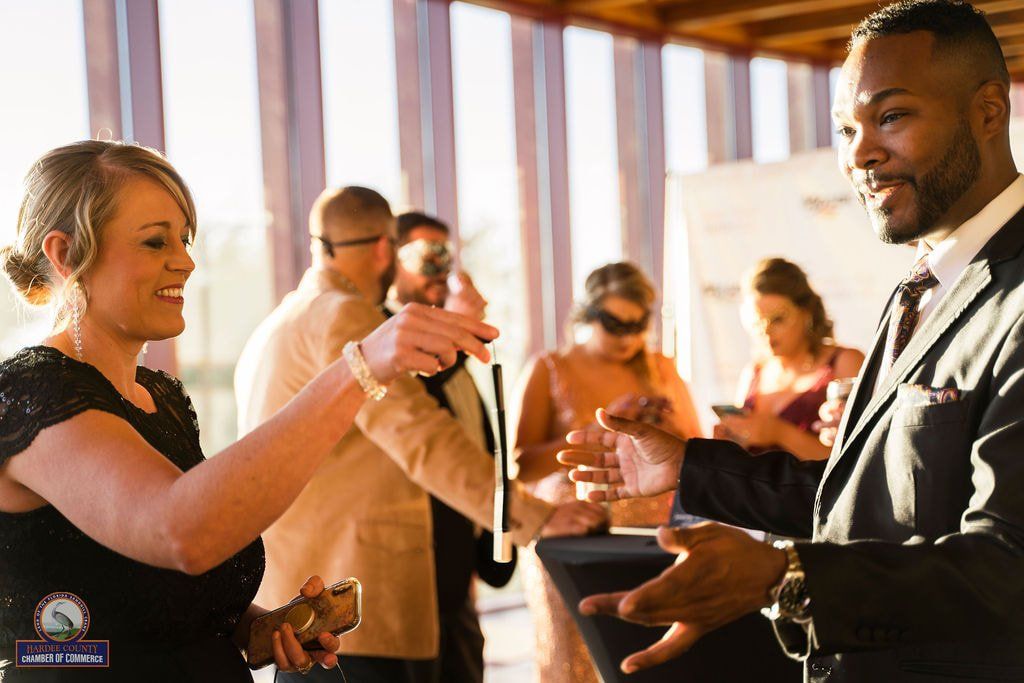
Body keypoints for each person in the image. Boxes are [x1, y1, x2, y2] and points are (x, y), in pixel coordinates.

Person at [560, 2, 1024, 680]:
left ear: (988, 111)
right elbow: (856, 500)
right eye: (846, 129)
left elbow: (1007, 568)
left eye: (892, 116)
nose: (858, 154)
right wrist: (691, 468)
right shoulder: (924, 285)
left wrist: (786, 576)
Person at [0, 141, 500, 682]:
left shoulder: (162, 398)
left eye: (185, 240)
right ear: (66, 254)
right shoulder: (30, 392)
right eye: (155, 241)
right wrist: (360, 367)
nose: (185, 261)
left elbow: (153, 589)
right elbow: (179, 531)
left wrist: (260, 626)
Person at [234, 187, 605, 683]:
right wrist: (536, 517)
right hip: (354, 614)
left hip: (305, 608)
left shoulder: (277, 324)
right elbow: (421, 436)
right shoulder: (344, 314)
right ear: (384, 248)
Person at [513, 261, 702, 683]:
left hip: (653, 536)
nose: (627, 338)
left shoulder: (661, 368)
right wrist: (597, 429)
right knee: (572, 660)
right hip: (574, 535)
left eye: (638, 325)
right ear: (588, 313)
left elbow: (695, 448)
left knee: (651, 657)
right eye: (615, 325)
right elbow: (520, 464)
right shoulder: (550, 368)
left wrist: (667, 430)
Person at [385, 210, 509, 683]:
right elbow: (418, 408)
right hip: (410, 583)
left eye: (446, 256)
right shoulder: (382, 339)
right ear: (390, 259)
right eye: (426, 256)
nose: (440, 269)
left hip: (459, 582)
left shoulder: (453, 357)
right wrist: (460, 331)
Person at [716, 258, 864, 461]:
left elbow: (859, 458)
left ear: (806, 313)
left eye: (777, 319)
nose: (766, 331)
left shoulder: (844, 362)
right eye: (756, 322)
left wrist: (779, 433)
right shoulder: (754, 372)